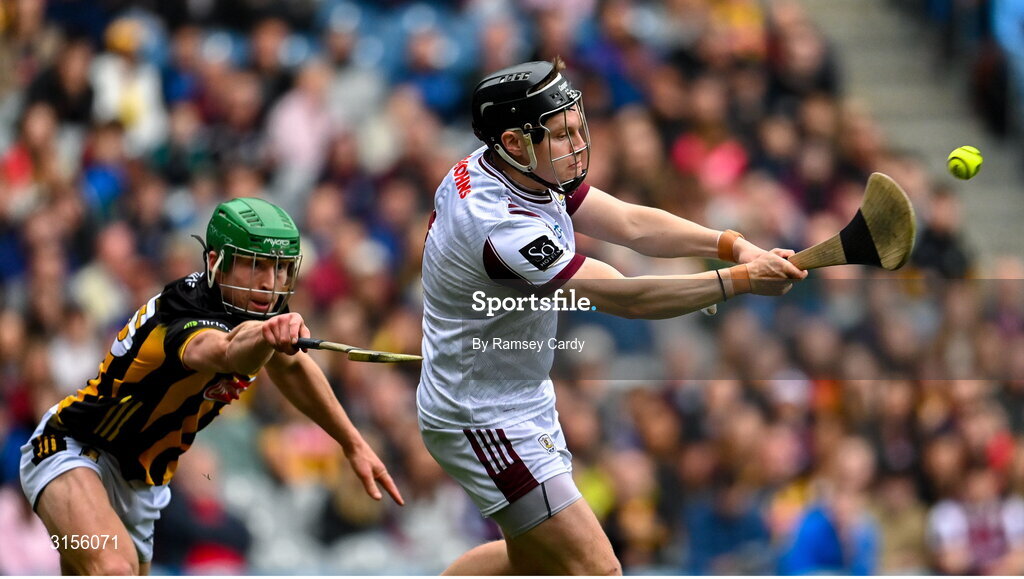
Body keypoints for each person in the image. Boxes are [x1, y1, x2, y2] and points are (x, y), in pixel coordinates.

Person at [417, 57, 806, 575]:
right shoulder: (501, 228)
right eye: (561, 134)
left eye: (577, 125)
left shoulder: (517, 167)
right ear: (514, 142)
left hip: (517, 396)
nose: (577, 143)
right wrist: (738, 282)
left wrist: (733, 247)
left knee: (532, 562)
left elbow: (629, 223)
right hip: (484, 417)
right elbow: (627, 297)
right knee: (598, 571)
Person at [20, 197, 404, 575]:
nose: (270, 284)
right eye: (256, 267)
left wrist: (352, 443)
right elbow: (227, 351)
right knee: (113, 569)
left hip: (143, 486)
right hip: (74, 449)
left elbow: (293, 369)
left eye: (281, 269)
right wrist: (267, 336)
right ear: (214, 263)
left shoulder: (256, 309)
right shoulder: (183, 311)